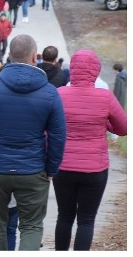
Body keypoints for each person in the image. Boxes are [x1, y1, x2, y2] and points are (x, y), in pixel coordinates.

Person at [0, 34, 67, 250]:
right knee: (31, 226)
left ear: (9, 55)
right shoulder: (49, 93)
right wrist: (51, 168)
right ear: (34, 56)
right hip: (33, 169)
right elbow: (58, 135)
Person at [54, 50, 127, 250]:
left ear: (73, 69)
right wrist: (106, 125)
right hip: (95, 168)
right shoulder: (105, 97)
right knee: (86, 220)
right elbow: (123, 128)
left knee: (64, 216)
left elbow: (48, 127)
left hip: (64, 165)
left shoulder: (59, 94)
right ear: (96, 70)